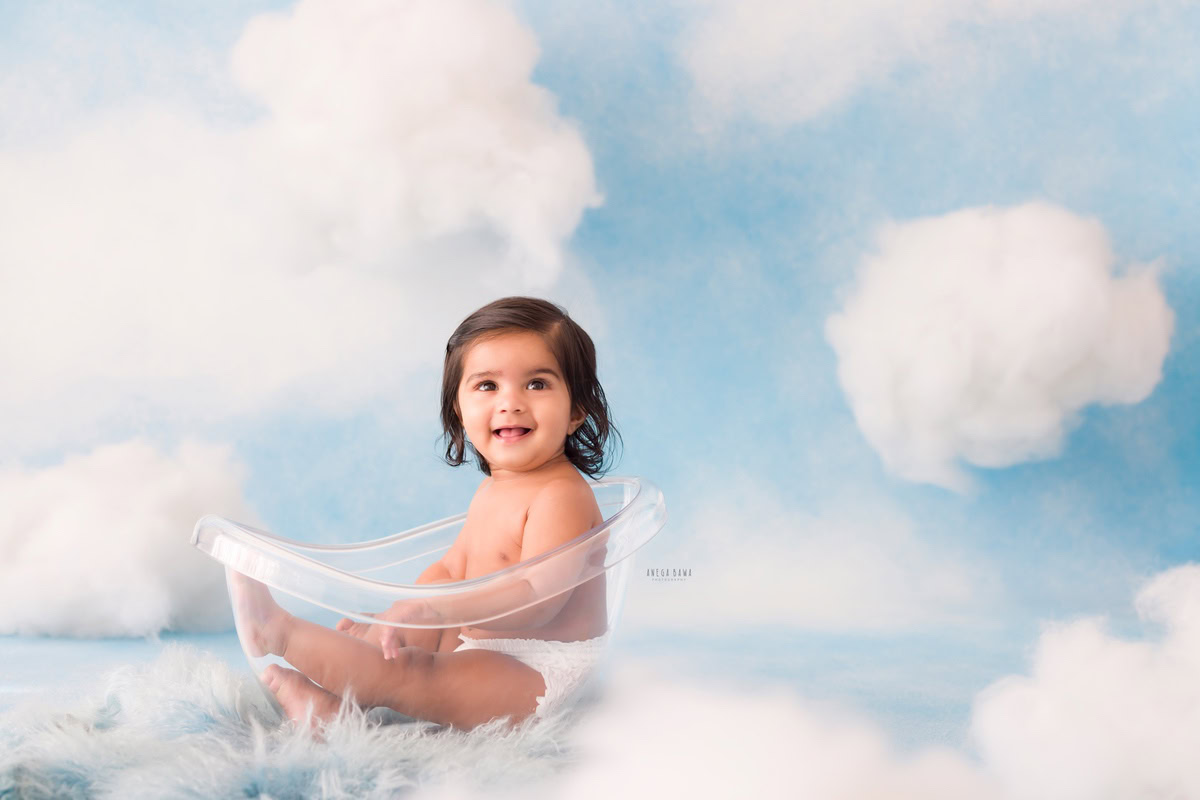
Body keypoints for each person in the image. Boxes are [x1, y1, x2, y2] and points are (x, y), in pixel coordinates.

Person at [231, 296, 620, 731]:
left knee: (416, 674)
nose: (510, 402)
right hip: (484, 647)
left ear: (576, 411)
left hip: (539, 673)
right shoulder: (495, 488)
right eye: (488, 386)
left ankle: (277, 632)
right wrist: (401, 615)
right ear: (459, 408)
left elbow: (536, 599)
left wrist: (435, 613)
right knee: (395, 646)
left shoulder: (559, 495)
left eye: (537, 384)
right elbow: (451, 570)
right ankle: (329, 710)